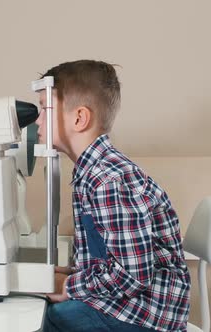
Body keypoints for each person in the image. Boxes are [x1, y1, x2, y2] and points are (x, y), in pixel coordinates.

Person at [38, 60, 190, 332]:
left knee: (50, 318)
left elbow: (133, 276)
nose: (38, 120)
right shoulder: (92, 172)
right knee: (43, 303)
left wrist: (68, 287)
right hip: (129, 303)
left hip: (146, 315)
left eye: (43, 109)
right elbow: (110, 259)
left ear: (79, 118)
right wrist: (72, 275)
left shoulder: (108, 180)